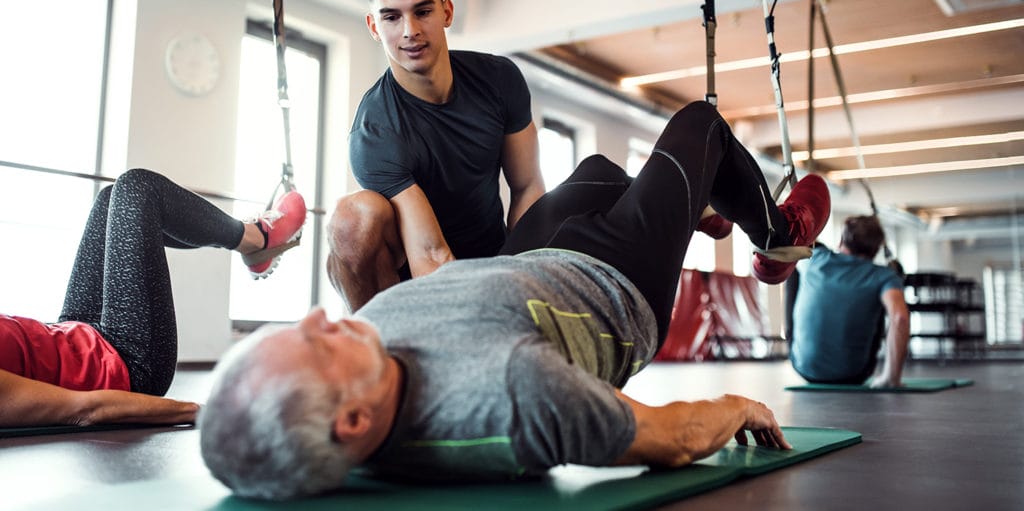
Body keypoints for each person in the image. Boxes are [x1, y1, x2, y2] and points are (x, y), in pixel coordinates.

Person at [199, 100, 831, 501]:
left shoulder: (362, 363)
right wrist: (739, 406)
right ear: (354, 422)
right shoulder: (512, 394)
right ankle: (776, 237)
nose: (318, 316)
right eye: (314, 341)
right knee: (700, 124)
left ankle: (689, 202)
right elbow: (671, 436)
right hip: (616, 279)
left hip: (526, 260)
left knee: (596, 173)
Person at [326, 0, 546, 311]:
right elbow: (431, 254)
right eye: (392, 17)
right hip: (414, 277)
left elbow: (528, 188)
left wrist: (517, 280)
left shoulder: (499, 79)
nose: (410, 31)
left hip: (494, 257)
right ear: (374, 27)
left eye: (422, 11)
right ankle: (377, 338)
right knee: (354, 217)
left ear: (446, 12)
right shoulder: (375, 132)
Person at [0, 169, 306, 428]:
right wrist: (200, 410)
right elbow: (82, 409)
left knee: (111, 200)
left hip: (69, 335)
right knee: (138, 189)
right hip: (123, 363)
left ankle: (255, 245)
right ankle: (257, 238)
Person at [788, 215, 910, 387]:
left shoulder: (813, 259)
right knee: (885, 298)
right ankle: (890, 376)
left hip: (805, 368)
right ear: (875, 249)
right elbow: (900, 318)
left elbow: (793, 238)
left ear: (841, 241)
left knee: (792, 262)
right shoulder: (883, 276)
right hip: (853, 374)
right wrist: (893, 378)